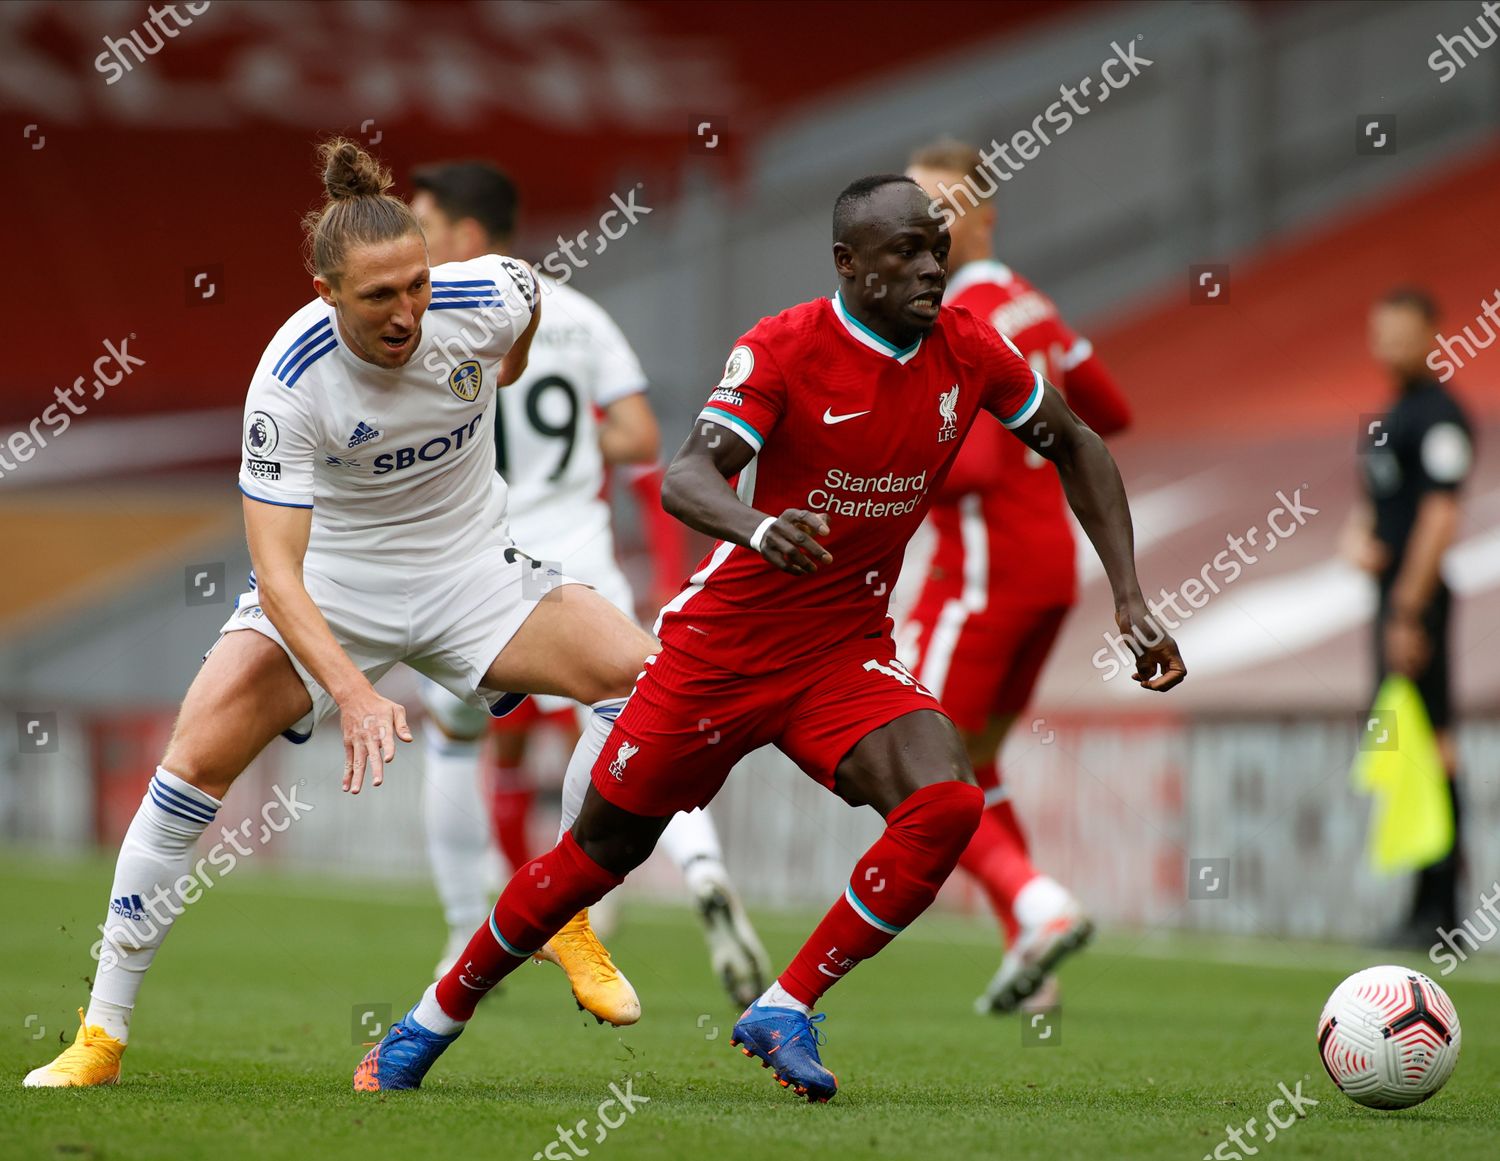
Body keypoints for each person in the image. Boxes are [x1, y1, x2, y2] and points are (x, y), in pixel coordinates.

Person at [355, 174, 1185, 1102]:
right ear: (848, 264)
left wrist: (1129, 595)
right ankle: (431, 1018)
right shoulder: (785, 348)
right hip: (723, 652)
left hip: (844, 655)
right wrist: (755, 528)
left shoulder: (970, 349)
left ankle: (786, 1005)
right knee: (592, 861)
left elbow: (1077, 439)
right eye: (904, 252)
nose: (928, 268)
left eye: (935, 250)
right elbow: (687, 474)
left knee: (947, 801)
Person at [23, 138, 657, 1087]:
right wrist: (354, 692)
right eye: (378, 297)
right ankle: (101, 1035)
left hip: (472, 569)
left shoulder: (487, 292)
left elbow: (518, 328)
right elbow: (277, 575)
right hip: (334, 585)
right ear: (325, 291)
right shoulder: (288, 380)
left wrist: (500, 366)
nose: (407, 312)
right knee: (191, 759)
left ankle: (558, 903)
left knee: (648, 681)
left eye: (417, 286)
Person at [407, 160, 768, 1011]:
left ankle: (469, 925)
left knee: (459, 742)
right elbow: (640, 432)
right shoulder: (577, 313)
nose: (415, 245)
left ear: (464, 236)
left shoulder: (430, 320)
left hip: (484, 565)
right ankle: (702, 869)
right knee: (644, 729)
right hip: (585, 562)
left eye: (423, 225)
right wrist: (568, 450)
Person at [902, 139, 1133, 1014]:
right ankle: (1028, 947)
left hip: (981, 576)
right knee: (977, 758)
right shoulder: (1031, 305)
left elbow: (973, 469)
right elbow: (1107, 412)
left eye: (940, 208)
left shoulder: (967, 318)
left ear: (984, 216)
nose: (923, 225)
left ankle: (1038, 902)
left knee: (919, 762)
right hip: (1050, 574)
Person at [1340, 286, 1473, 946]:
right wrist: (1358, 538)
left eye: (1402, 331)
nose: (1390, 343)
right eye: (1381, 331)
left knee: (1435, 742)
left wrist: (1409, 609)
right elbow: (1379, 503)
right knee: (1409, 744)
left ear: (1432, 334)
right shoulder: (1388, 417)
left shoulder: (1441, 416)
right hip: (1390, 600)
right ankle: (1423, 904)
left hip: (1415, 604)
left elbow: (1440, 514)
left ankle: (1444, 908)